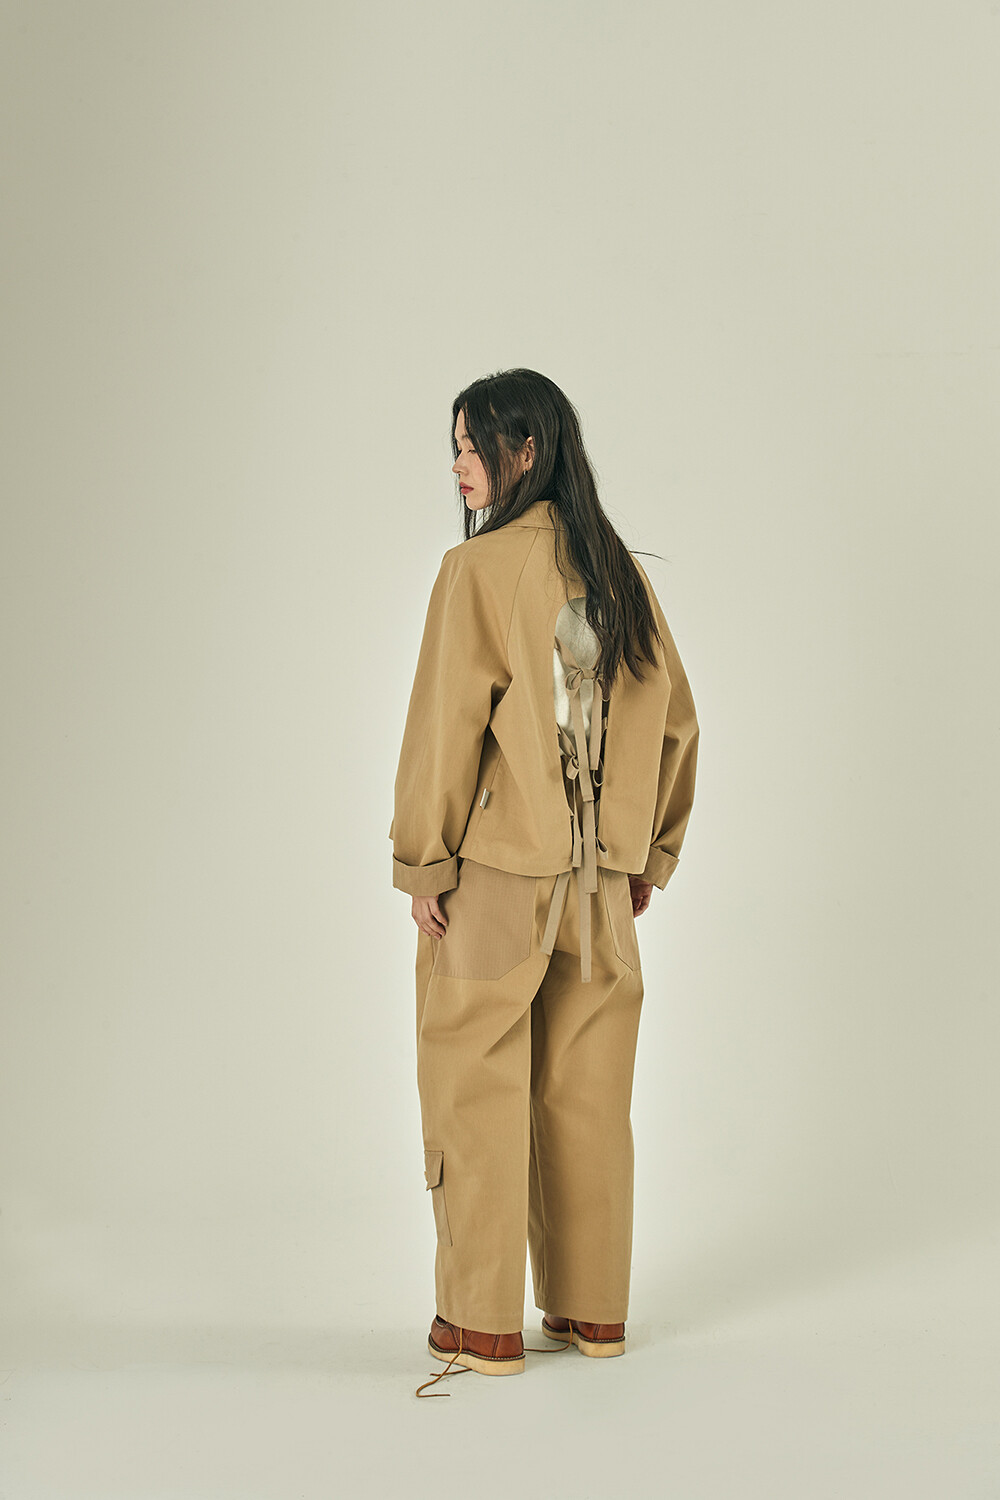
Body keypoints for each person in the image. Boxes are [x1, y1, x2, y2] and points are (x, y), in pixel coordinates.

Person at [389, 369, 699, 1397]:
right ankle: (590, 1309)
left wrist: (424, 860)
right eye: (454, 446)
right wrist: (643, 854)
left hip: (497, 878)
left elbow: (446, 723)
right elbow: (678, 722)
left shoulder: (476, 570)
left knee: (473, 1085)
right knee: (588, 1093)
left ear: (526, 451)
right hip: (601, 889)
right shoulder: (619, 572)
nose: (457, 464)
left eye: (471, 445)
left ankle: (482, 1326)